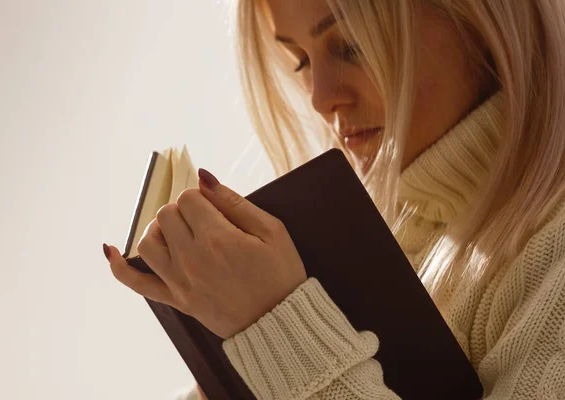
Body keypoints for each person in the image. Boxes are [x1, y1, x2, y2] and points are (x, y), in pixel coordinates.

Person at [105, 0, 565, 399]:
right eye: (301, 61)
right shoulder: (367, 243)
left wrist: (278, 328)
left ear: (482, 21)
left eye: (351, 46)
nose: (320, 99)